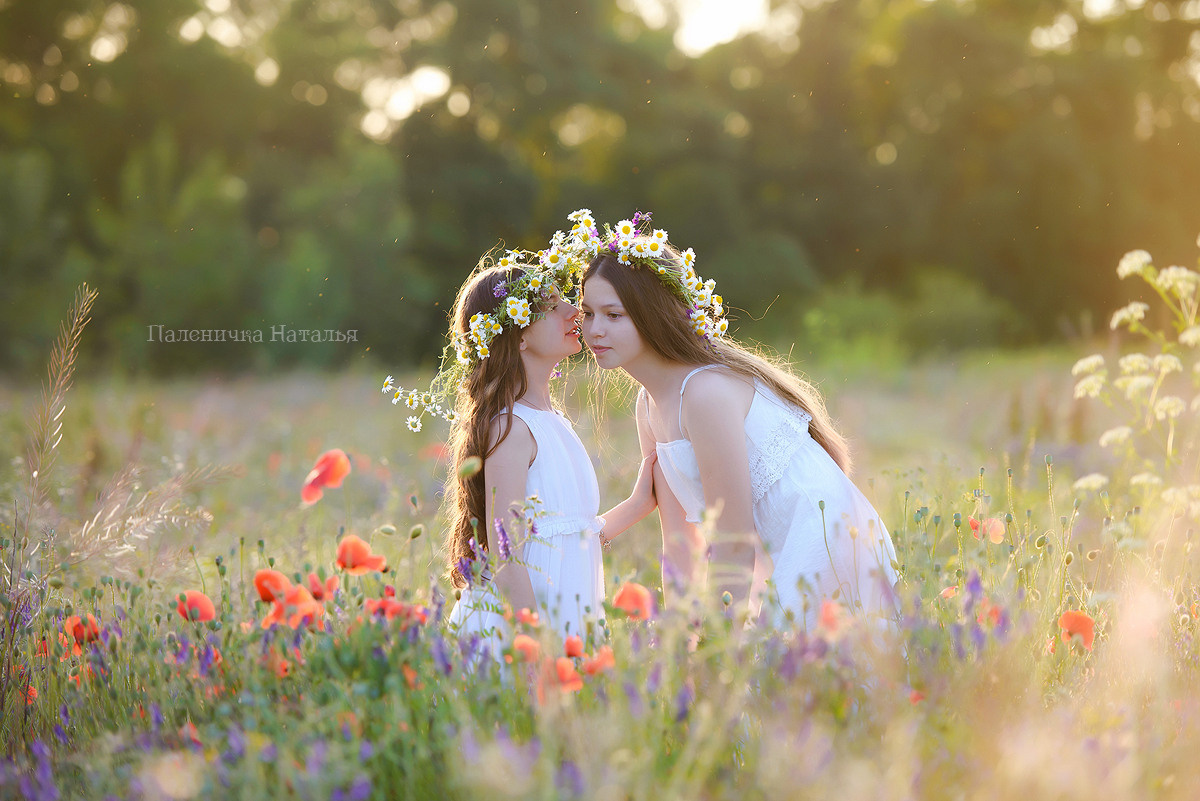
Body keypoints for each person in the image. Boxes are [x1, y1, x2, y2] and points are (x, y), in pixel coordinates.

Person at [573, 210, 899, 631]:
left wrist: (712, 651)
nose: (594, 329)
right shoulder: (648, 404)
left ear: (650, 313)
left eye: (613, 315)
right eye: (587, 313)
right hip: (767, 549)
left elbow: (735, 542)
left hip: (819, 537)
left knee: (785, 683)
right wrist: (678, 635)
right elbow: (679, 543)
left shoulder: (704, 394)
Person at [385, 236, 657, 655]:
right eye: (553, 306)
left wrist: (638, 503)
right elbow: (506, 554)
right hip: (516, 635)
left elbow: (570, 533)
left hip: (559, 618)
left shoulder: (552, 421)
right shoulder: (511, 428)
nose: (575, 311)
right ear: (519, 335)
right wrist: (536, 648)